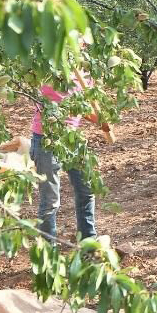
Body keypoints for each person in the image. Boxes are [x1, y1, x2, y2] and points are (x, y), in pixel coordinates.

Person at [32, 81, 97, 243]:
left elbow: (82, 105)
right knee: (50, 202)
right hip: (46, 139)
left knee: (86, 191)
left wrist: (100, 119)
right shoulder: (47, 64)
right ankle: (48, 254)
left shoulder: (85, 70)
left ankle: (88, 243)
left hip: (73, 138)